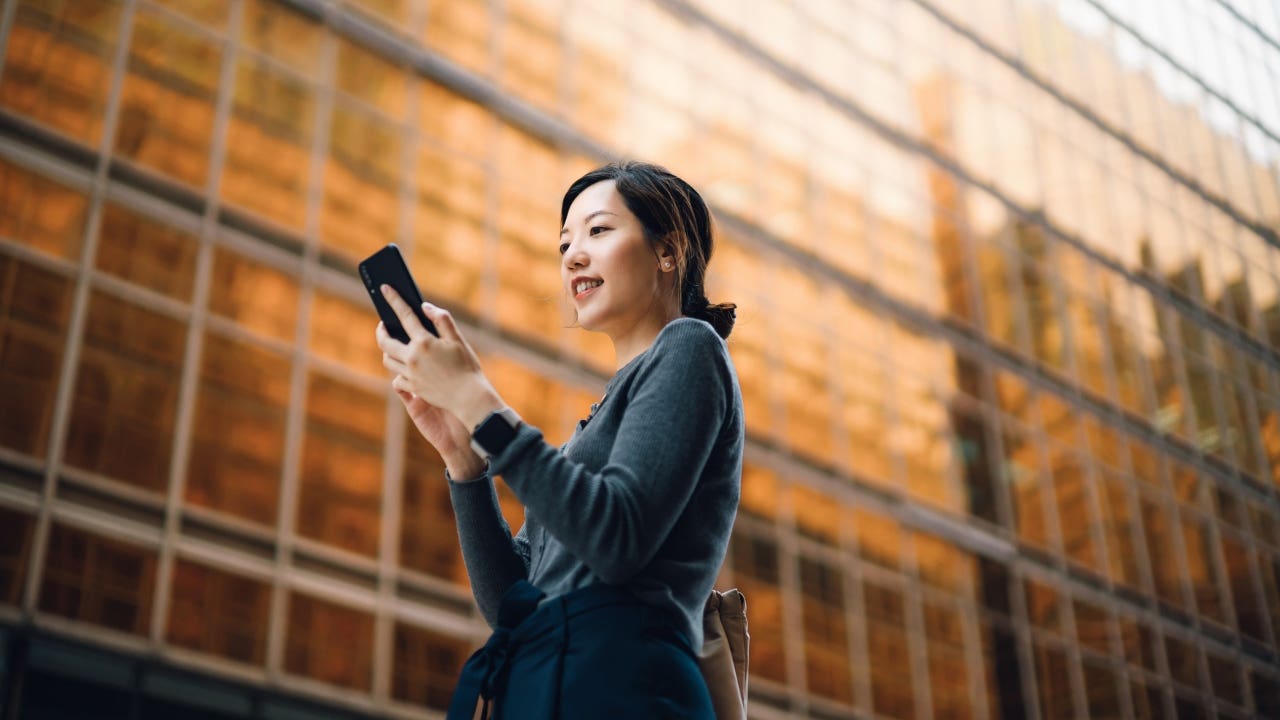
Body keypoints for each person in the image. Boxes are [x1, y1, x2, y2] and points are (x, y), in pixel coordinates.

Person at [374, 161, 744, 719]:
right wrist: (464, 460)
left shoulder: (690, 347)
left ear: (668, 252)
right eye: (565, 243)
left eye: (598, 230)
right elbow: (513, 604)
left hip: (625, 690)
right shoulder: (588, 431)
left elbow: (616, 539)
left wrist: (478, 400)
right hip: (547, 690)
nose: (572, 256)